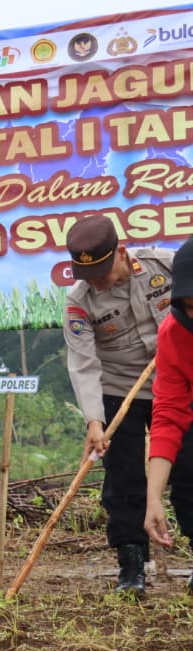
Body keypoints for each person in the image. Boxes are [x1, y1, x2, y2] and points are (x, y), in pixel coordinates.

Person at [62, 215, 179, 598]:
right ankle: (132, 564)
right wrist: (94, 420)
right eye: (87, 274)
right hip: (119, 390)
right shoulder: (78, 301)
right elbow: (83, 362)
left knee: (189, 469)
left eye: (100, 271)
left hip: (178, 382)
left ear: (122, 253)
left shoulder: (166, 265)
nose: (95, 281)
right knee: (124, 477)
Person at [143, 235, 193, 585]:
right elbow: (168, 415)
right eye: (189, 306)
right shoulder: (175, 331)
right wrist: (153, 499)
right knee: (188, 471)